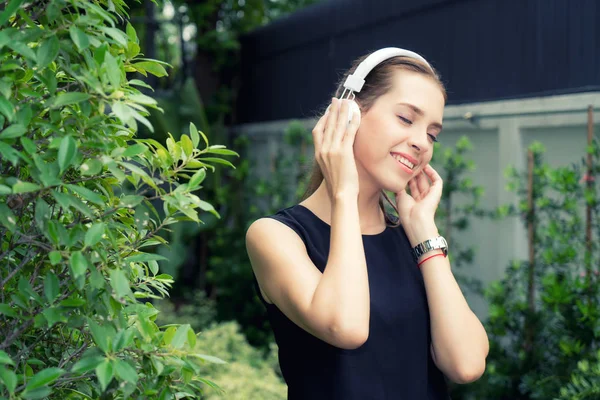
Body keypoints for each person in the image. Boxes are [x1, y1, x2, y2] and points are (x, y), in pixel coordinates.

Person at [245, 47, 489, 400]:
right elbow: (346, 326)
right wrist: (344, 192)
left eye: (433, 134)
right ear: (348, 114)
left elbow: (465, 365)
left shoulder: (415, 241)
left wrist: (425, 233)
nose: (422, 142)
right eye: (406, 119)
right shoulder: (276, 236)